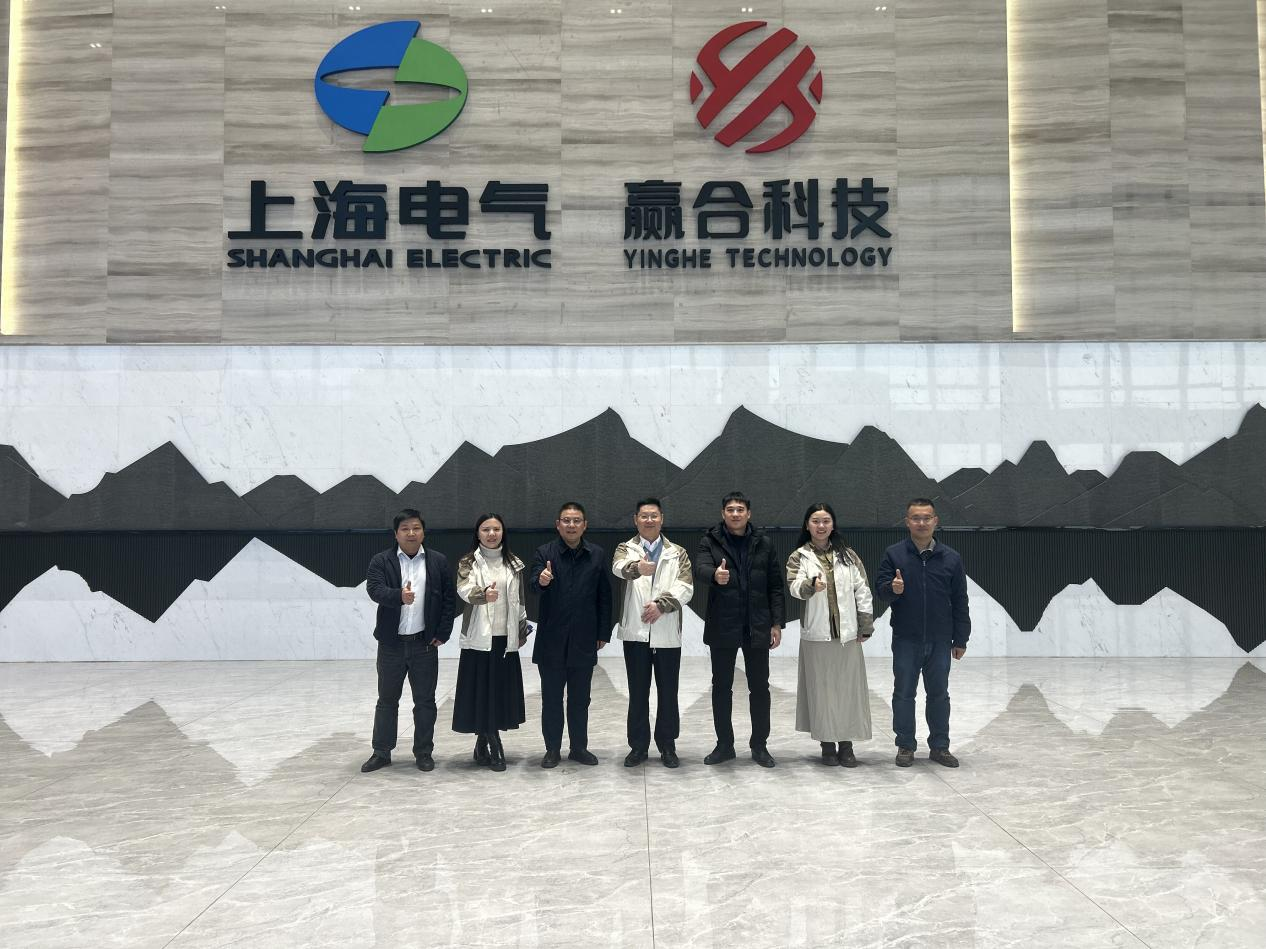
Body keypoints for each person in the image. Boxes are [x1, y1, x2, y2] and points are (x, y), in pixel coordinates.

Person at [875, 498, 971, 768]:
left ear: (935, 521)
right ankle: (905, 745)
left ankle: (940, 746)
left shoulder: (951, 558)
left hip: (941, 639)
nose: (921, 523)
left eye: (926, 518)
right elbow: (880, 591)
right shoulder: (894, 554)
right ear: (907, 522)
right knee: (904, 693)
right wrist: (892, 589)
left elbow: (960, 600)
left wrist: (961, 638)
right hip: (906, 638)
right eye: (915, 518)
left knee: (939, 694)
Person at [361, 508, 456, 774]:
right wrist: (398, 597)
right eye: (405, 529)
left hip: (424, 644)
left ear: (423, 532)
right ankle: (381, 752)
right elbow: (374, 589)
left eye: (416, 528)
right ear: (396, 534)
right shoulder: (382, 560)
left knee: (425, 702)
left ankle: (423, 752)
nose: (411, 533)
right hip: (391, 645)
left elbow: (448, 600)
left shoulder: (437, 561)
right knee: (387, 700)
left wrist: (443, 633)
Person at [695, 491, 785, 768]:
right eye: (730, 509)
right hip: (723, 624)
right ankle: (724, 745)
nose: (735, 514)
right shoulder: (710, 540)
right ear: (723, 513)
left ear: (749, 513)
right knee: (721, 687)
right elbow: (700, 568)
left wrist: (776, 623)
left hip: (757, 625)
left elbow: (775, 585)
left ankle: (760, 745)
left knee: (760, 687)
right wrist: (714, 574)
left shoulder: (764, 542)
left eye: (740, 509)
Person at [786, 503, 874, 767]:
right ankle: (826, 744)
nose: (821, 526)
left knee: (848, 691)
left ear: (833, 524)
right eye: (815, 521)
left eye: (826, 521)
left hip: (847, 636)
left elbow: (862, 589)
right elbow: (794, 587)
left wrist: (865, 623)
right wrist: (810, 586)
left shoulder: (848, 555)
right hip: (817, 635)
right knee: (822, 692)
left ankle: (846, 745)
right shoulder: (798, 556)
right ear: (807, 525)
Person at [611, 497, 695, 769]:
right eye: (644, 516)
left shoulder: (678, 552)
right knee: (637, 693)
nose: (649, 520)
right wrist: (637, 568)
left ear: (662, 519)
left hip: (667, 633)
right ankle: (638, 746)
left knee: (668, 692)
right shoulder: (626, 548)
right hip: (636, 634)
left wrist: (661, 605)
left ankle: (667, 745)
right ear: (636, 520)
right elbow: (618, 568)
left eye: (654, 515)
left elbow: (686, 587)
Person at [531, 501, 613, 768]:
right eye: (566, 520)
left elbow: (605, 597)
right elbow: (533, 586)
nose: (571, 525)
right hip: (551, 640)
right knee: (552, 700)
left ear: (584, 525)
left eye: (577, 520)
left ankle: (579, 748)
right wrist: (541, 580)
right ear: (558, 524)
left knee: (580, 700)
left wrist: (603, 632)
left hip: (584, 639)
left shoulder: (597, 554)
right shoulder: (544, 553)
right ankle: (552, 749)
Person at [453, 513, 529, 772]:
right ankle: (494, 744)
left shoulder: (514, 563)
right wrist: (483, 594)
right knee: (481, 694)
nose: (492, 534)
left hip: (505, 640)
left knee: (498, 694)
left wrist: (521, 630)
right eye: (486, 529)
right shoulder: (468, 562)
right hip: (479, 640)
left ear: (503, 532)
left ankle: (482, 742)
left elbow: (520, 600)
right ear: (478, 533)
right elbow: (464, 590)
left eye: (496, 529)